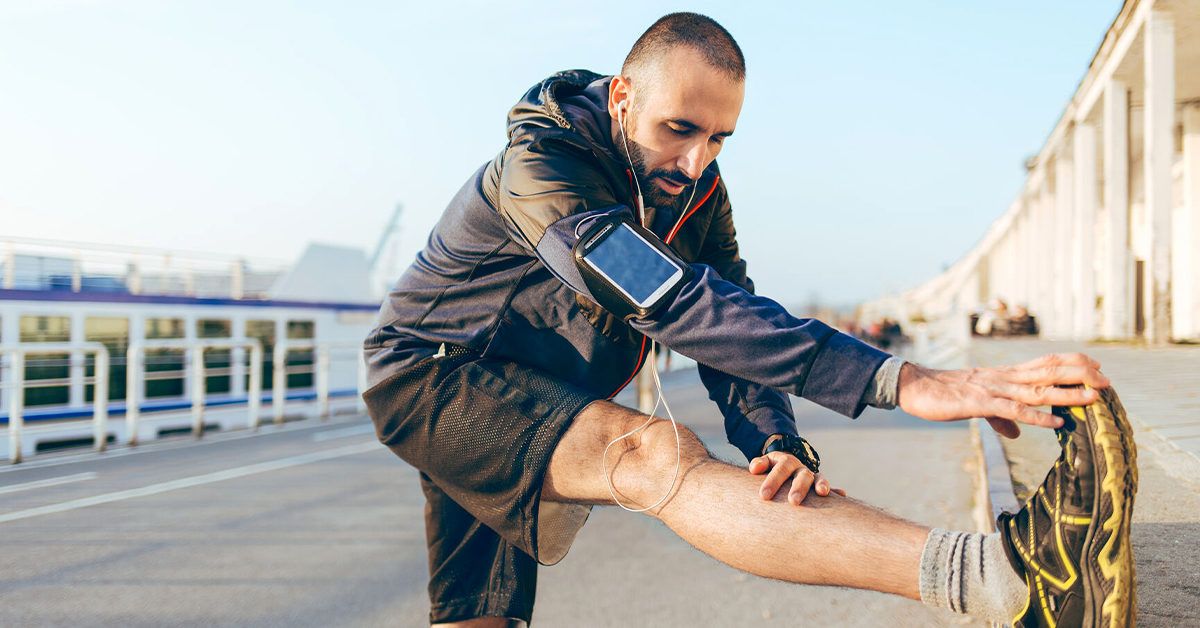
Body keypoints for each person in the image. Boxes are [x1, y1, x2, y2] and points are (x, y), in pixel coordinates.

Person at [362, 13, 1135, 627]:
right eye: (680, 130)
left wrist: (774, 438)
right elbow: (668, 300)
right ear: (624, 96)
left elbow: (733, 311)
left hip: (534, 388)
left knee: (478, 617)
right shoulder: (540, 170)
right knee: (650, 454)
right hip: (434, 377)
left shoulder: (694, 186)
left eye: (720, 137)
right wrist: (901, 379)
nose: (698, 160)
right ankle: (1006, 578)